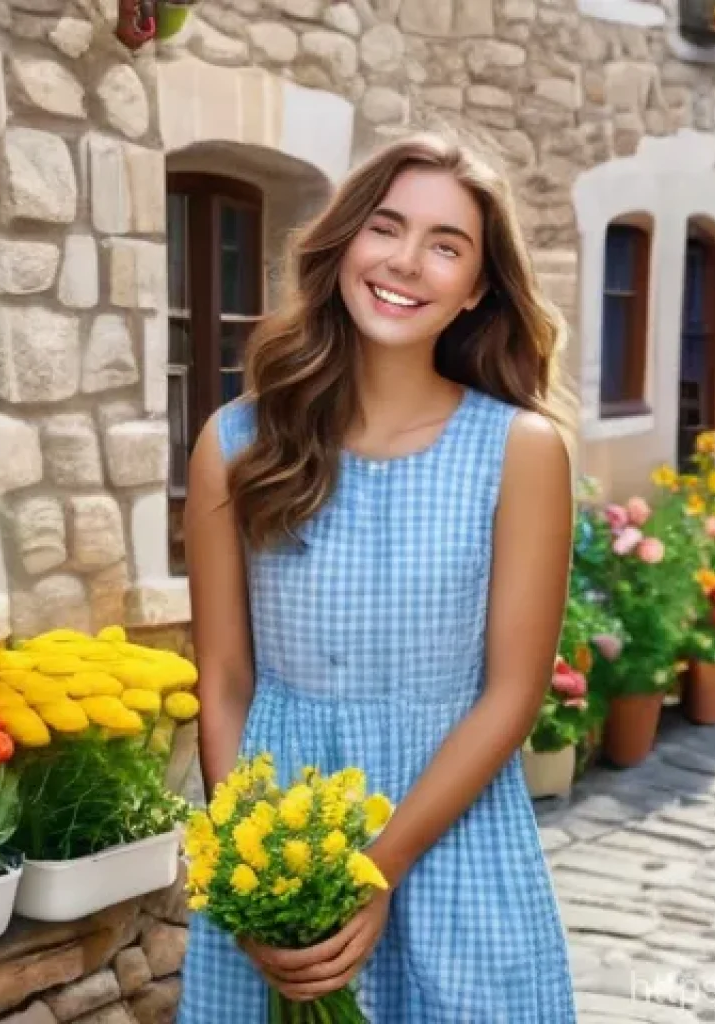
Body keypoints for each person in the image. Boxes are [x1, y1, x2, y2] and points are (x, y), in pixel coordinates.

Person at [177, 132, 577, 1023]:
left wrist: (374, 870)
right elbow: (228, 684)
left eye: (446, 245)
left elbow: (512, 697)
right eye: (386, 228)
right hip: (280, 831)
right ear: (345, 242)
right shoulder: (235, 444)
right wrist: (254, 878)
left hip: (454, 839)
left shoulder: (520, 451)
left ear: (476, 289)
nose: (405, 262)